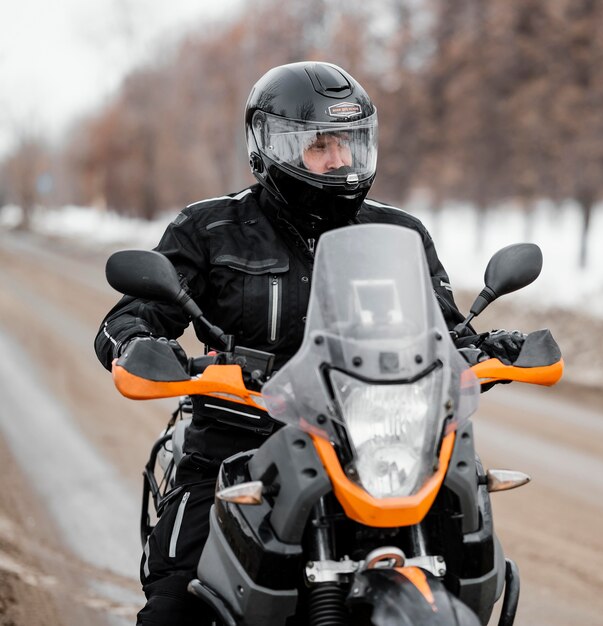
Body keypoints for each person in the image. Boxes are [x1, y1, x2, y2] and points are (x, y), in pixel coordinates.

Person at [94, 61, 524, 625]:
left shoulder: (398, 235)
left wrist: (486, 347)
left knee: (464, 550)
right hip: (241, 447)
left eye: (351, 143)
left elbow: (442, 329)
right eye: (321, 145)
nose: (340, 160)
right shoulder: (209, 229)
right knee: (176, 604)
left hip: (369, 447)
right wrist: (141, 345)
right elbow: (128, 317)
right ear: (269, 144)